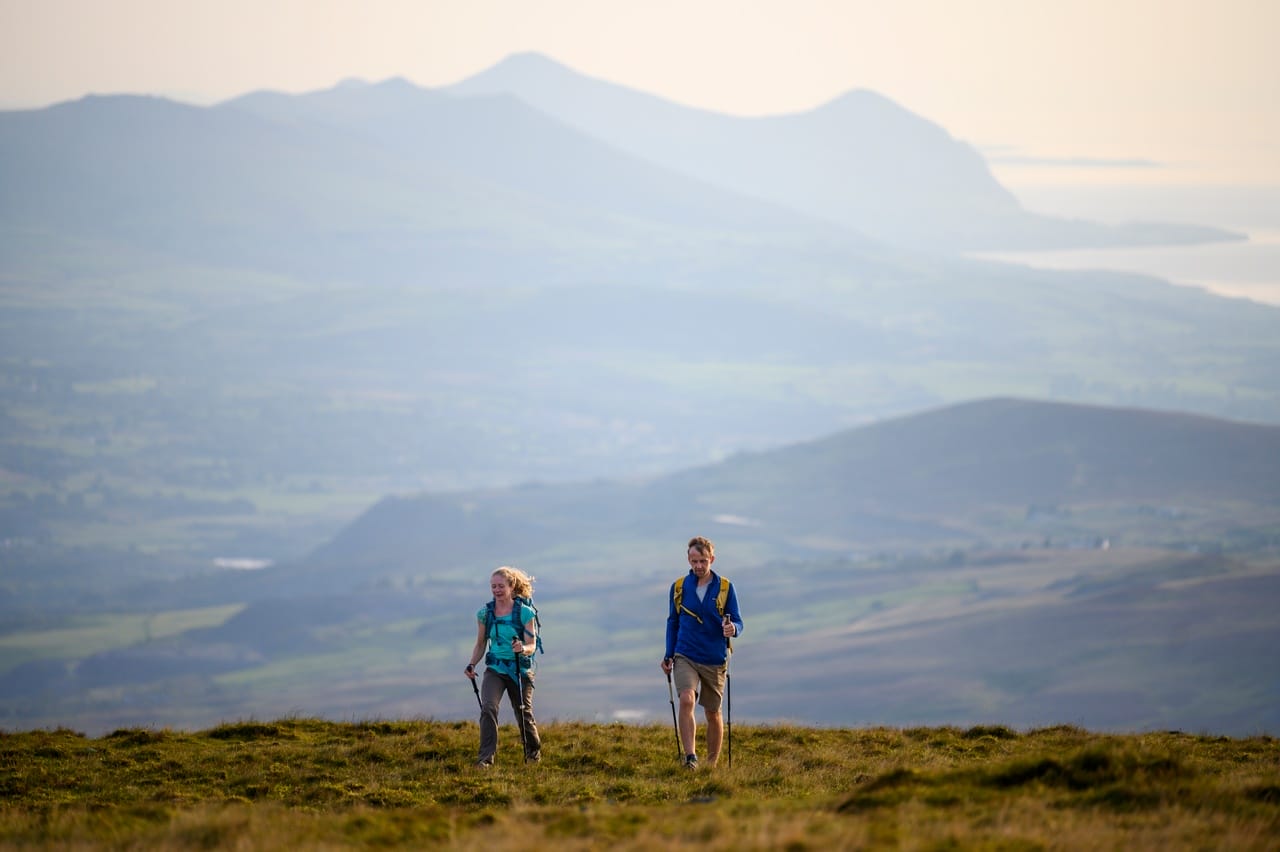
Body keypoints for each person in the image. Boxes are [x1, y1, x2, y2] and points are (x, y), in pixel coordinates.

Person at [661, 536, 743, 769]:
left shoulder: (726, 587)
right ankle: (691, 758)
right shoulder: (678, 588)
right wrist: (669, 654)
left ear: (712, 559)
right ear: (688, 559)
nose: (698, 566)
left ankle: (712, 764)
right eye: (694, 561)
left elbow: (738, 621)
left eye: (703, 561)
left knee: (712, 712)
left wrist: (733, 628)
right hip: (685, 653)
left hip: (714, 657)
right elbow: (672, 622)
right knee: (687, 699)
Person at [465, 566, 542, 767]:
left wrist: (522, 648)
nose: (496, 590)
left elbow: (532, 645)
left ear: (511, 586)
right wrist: (472, 664)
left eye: (500, 586)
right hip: (495, 669)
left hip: (519, 669)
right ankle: (485, 760)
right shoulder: (485, 614)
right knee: (489, 708)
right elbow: (481, 644)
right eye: (493, 587)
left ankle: (533, 755)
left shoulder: (525, 613)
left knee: (523, 711)